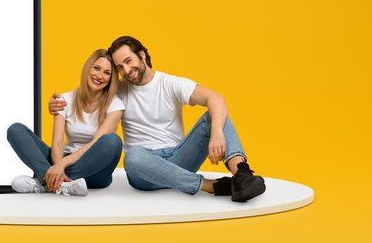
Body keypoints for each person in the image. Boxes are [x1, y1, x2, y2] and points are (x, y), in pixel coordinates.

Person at [50, 36, 265, 202]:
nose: (126, 70)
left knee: (216, 112)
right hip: (144, 168)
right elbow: (91, 95)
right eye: (120, 68)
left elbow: (215, 98)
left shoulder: (170, 83)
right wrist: (59, 105)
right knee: (132, 156)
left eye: (129, 61)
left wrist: (217, 131)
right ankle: (211, 185)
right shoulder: (117, 90)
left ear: (142, 55)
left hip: (180, 158)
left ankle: (242, 175)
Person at [7, 49, 124, 196]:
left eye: (107, 73)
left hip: (96, 172)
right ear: (88, 68)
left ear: (111, 78)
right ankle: (59, 184)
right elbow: (57, 143)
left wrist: (61, 165)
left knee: (112, 141)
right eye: (96, 68)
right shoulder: (64, 99)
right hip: (63, 159)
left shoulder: (116, 105)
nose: (100, 76)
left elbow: (95, 142)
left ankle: (46, 181)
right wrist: (58, 165)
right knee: (16, 130)